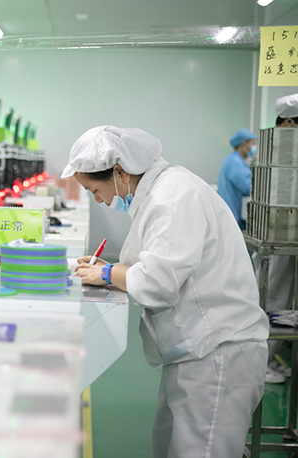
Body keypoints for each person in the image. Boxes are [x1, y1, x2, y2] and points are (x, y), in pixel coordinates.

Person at [63, 126, 269, 458]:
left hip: (219, 351)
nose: (98, 200)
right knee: (171, 444)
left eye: (94, 190)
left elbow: (158, 282)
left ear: (119, 171)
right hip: (195, 350)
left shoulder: (173, 196)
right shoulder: (159, 192)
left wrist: (105, 272)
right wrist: (107, 268)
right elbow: (154, 261)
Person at [252, 93, 298, 384]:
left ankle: (274, 357)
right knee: (274, 296)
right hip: (275, 235)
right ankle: (260, 363)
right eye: (288, 122)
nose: (291, 127)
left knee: (289, 305)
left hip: (291, 238)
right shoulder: (272, 153)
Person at [218, 128, 257, 230]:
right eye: (252, 143)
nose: (254, 147)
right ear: (243, 145)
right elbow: (249, 187)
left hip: (229, 213)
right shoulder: (235, 162)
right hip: (231, 215)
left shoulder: (233, 160)